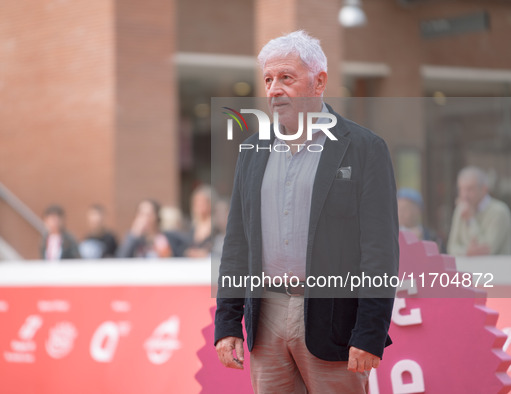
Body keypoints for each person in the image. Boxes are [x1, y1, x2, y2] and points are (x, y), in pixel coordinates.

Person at [215, 31, 399, 393]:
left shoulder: (364, 149)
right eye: (268, 80)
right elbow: (237, 242)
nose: (274, 90)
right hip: (265, 318)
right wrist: (227, 323)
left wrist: (370, 331)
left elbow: (380, 251)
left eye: (286, 78)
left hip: (334, 322)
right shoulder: (252, 150)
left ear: (319, 82)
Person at [447, 166, 511, 256]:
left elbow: (487, 250)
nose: (464, 195)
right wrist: (467, 252)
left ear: (484, 189)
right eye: (461, 189)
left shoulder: (499, 212)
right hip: (467, 269)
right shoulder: (460, 210)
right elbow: (451, 248)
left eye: (469, 189)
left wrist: (470, 220)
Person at [117, 199, 187, 258]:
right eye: (141, 214)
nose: (145, 218)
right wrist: (134, 234)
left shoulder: (169, 237)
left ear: (156, 216)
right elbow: (121, 258)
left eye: (148, 214)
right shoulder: (133, 239)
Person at [184, 185, 214, 258]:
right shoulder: (189, 226)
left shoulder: (216, 226)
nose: (199, 205)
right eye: (196, 202)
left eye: (202, 202)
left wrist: (206, 254)